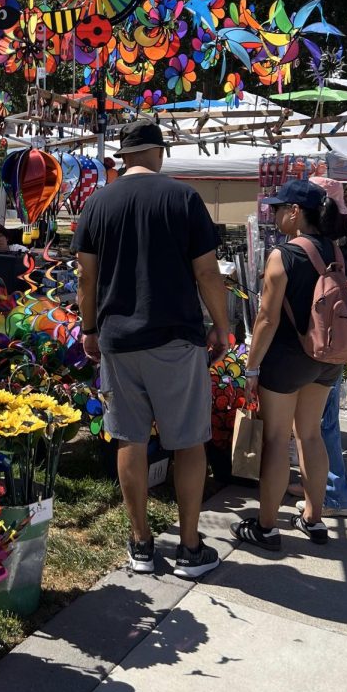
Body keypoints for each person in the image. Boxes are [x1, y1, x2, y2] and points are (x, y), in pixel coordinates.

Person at [74, 116, 229, 579]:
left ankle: (140, 544)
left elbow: (86, 276)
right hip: (175, 337)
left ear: (124, 157)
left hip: (119, 340)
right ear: (159, 152)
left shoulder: (97, 203)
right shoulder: (183, 198)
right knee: (189, 442)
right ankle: (188, 546)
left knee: (131, 439)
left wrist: (88, 329)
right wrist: (221, 326)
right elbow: (207, 272)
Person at [230, 179, 347, 551]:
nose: (273, 215)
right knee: (310, 435)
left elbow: (266, 320)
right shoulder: (338, 250)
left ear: (295, 212)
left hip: (287, 359)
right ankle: (313, 519)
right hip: (327, 357)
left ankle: (267, 526)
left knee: (276, 439)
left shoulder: (284, 255)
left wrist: (251, 368)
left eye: (277, 209)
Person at [290, 175, 347, 518]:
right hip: (337, 344)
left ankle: (335, 493)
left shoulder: (331, 245)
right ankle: (317, 485)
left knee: (322, 426)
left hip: (321, 344)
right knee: (320, 423)